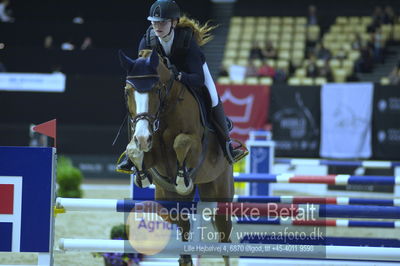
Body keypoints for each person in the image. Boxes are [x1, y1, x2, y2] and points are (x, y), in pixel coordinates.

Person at [116, 0, 247, 173]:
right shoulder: (147, 40)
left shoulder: (186, 40)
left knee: (213, 97)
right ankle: (131, 152)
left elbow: (198, 79)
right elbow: (143, 71)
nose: (157, 26)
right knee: (140, 103)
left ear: (174, 22)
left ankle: (227, 145)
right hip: (164, 83)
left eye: (162, 22)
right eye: (154, 22)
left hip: (191, 74)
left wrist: (178, 76)